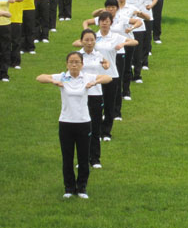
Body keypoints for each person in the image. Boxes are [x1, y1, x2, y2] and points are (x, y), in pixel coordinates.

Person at [36, 52, 111, 199]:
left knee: (83, 158)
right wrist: (53, 81)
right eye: (71, 62)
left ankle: (82, 187)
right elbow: (40, 77)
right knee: (67, 157)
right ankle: (69, 188)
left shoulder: (87, 77)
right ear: (67, 64)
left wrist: (94, 83)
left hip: (83, 122)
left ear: (82, 64)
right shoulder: (62, 77)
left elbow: (107, 78)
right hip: (66, 122)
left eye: (77, 62)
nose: (74, 65)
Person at [74, 12, 138, 141]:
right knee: (95, 106)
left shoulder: (115, 37)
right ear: (98, 23)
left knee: (109, 105)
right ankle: (94, 132)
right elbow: (76, 43)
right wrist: (86, 43)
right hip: (95, 77)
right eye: (102, 21)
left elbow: (135, 41)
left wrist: (123, 44)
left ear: (110, 23)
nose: (104, 23)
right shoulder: (93, 37)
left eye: (107, 21)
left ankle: (106, 132)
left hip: (111, 75)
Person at [78, 29, 110, 169]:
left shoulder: (99, 55)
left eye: (92, 40)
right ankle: (82, 160)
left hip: (96, 94)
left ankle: (95, 158)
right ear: (81, 41)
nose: (89, 43)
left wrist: (106, 65)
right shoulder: (77, 56)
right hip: (81, 95)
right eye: (87, 40)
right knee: (81, 129)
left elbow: (106, 68)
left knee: (95, 128)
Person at [4, 0, 35, 70]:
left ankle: (16, 62)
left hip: (16, 18)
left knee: (16, 41)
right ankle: (6, 62)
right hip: (3, 20)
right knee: (5, 43)